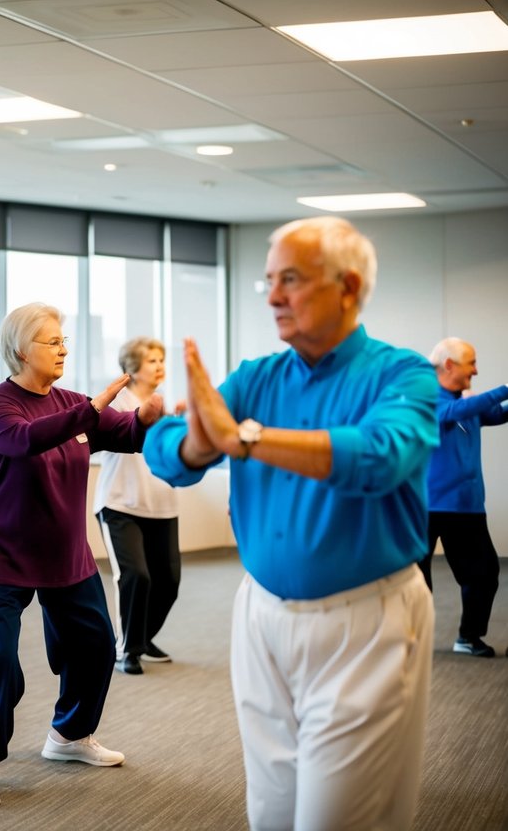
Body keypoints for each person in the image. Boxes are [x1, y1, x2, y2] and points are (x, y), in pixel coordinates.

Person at [144, 217, 439, 830]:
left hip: (367, 622)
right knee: (273, 811)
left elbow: (379, 456)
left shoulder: (402, 373)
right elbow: (167, 445)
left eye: (292, 280)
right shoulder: (258, 376)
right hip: (261, 616)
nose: (275, 296)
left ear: (348, 286)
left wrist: (245, 438)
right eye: (269, 281)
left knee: (336, 818)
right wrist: (200, 444)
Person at [0, 303, 160, 808]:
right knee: (1, 660)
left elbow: (126, 434)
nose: (63, 349)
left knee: (95, 646)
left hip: (64, 551)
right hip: (2, 551)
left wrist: (147, 416)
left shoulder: (73, 403)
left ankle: (69, 737)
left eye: (63, 341)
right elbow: (27, 440)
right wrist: (90, 411)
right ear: (21, 350)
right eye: (52, 342)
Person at [92, 337, 180, 676]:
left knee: (168, 581)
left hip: (161, 505)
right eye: (152, 360)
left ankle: (142, 638)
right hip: (119, 504)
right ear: (131, 368)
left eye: (162, 359)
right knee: (136, 576)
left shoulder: (165, 406)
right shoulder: (119, 403)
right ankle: (126, 649)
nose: (160, 365)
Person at [421, 337, 507, 657]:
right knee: (415, 583)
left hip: (465, 507)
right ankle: (407, 642)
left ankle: (469, 637)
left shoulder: (467, 403)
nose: (476, 369)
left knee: (484, 575)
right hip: (425, 506)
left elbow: (494, 413)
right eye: (471, 363)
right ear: (449, 365)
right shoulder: (426, 398)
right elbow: (453, 411)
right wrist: (503, 389)